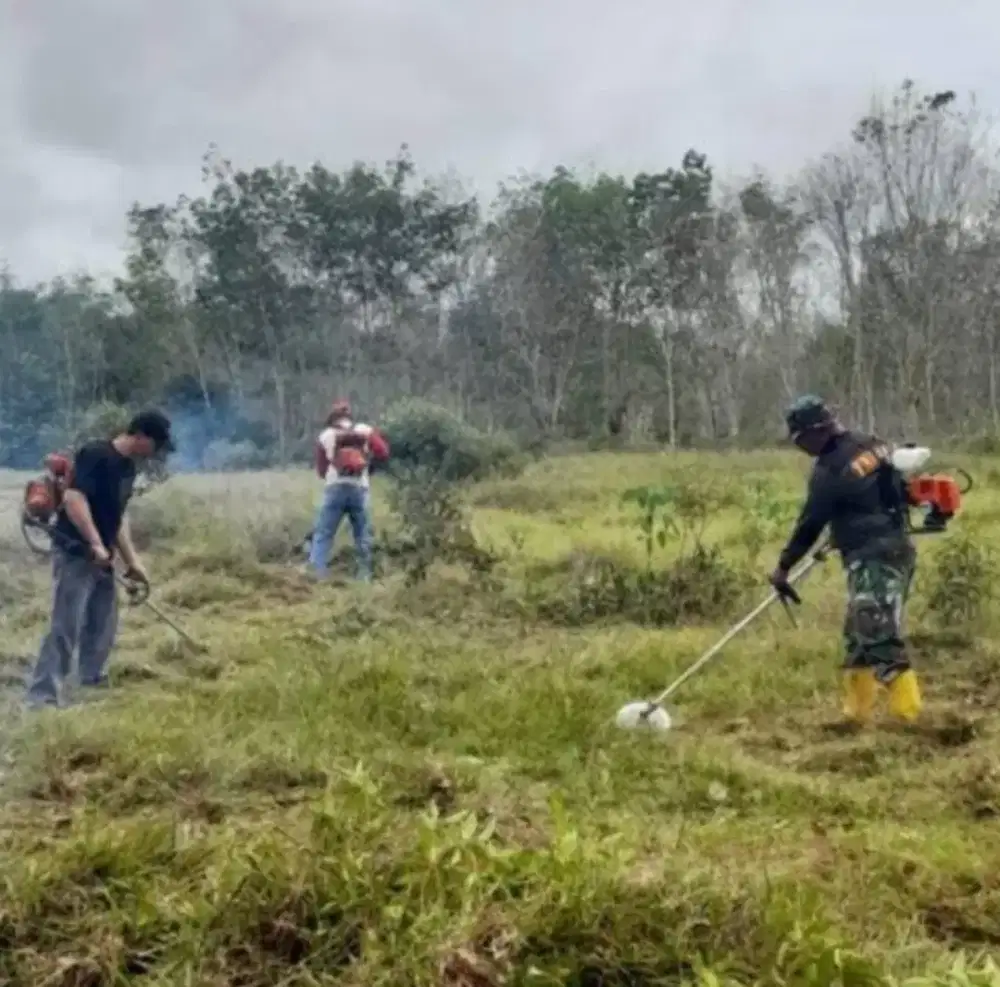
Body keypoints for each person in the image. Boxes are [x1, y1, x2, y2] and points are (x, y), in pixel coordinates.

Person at [768, 395, 921, 726]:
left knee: (877, 633)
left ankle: (910, 718)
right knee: (858, 635)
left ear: (816, 432)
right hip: (897, 547)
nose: (800, 447)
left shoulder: (829, 471)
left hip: (874, 557)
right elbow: (894, 489)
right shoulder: (874, 444)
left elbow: (810, 523)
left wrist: (783, 567)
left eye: (800, 440)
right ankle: (855, 715)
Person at [25, 410, 174, 709]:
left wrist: (133, 562)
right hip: (76, 553)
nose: (156, 453)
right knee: (66, 623)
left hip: (103, 555)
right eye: (155, 445)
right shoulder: (96, 454)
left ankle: (91, 678)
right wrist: (94, 542)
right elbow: (74, 499)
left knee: (103, 619)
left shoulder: (128, 469)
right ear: (140, 435)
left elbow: (117, 517)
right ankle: (42, 696)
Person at [308, 398, 390, 581]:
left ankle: (316, 575)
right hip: (359, 488)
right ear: (349, 416)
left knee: (324, 533)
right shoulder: (364, 430)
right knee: (362, 534)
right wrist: (368, 467)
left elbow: (321, 470)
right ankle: (364, 577)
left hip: (335, 488)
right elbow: (383, 452)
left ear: (332, 417)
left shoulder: (326, 435)